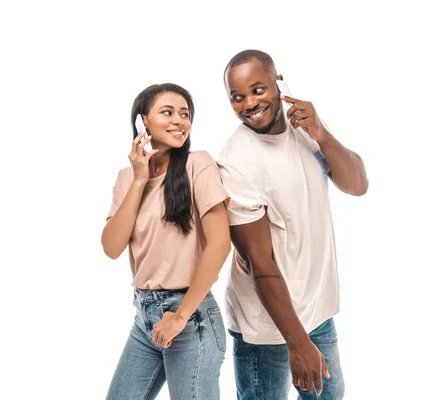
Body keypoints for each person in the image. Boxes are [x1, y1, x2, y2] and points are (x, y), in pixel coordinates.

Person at [218, 50, 369, 399]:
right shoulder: (236, 164)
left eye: (258, 89)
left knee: (330, 395)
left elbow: (358, 185)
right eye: (237, 97)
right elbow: (260, 263)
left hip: (316, 309)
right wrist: (298, 344)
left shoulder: (306, 125)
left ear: (278, 82)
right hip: (268, 327)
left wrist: (322, 135)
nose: (249, 104)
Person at [102, 83, 231, 399]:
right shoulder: (126, 178)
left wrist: (180, 316)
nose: (180, 121)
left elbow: (219, 244)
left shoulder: (196, 164)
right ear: (142, 121)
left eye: (185, 114)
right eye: (168, 112)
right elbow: (112, 247)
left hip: (190, 317)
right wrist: (140, 178)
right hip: (146, 317)